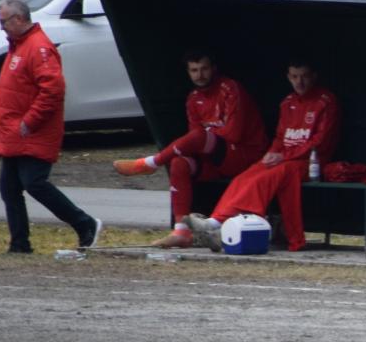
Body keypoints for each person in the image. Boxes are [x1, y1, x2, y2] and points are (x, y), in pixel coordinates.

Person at [112, 49, 269, 248]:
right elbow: (195, 143)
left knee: (198, 136)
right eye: (194, 70)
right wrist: (203, 141)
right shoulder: (194, 98)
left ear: (214, 68)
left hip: (244, 155)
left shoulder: (230, 88)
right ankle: (181, 231)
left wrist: (205, 138)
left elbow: (233, 134)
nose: (200, 75)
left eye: (204, 69)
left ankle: (152, 163)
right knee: (179, 163)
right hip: (216, 159)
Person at [186, 58, 340, 253]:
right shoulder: (288, 102)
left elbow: (320, 142)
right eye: (294, 77)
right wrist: (272, 154)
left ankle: (217, 223)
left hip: (310, 162)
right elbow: (280, 137)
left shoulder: (326, 101)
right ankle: (216, 223)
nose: (299, 82)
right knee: (246, 176)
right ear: (288, 77)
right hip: (284, 158)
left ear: (314, 77)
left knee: (267, 177)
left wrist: (283, 156)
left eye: (304, 77)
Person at [0, 0, 101, 253]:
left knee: (35, 183)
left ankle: (84, 223)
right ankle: (20, 244)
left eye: (4, 21)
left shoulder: (38, 47)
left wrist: (29, 122)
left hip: (32, 131)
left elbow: (52, 90)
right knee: (9, 188)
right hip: (15, 132)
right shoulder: (19, 45)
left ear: (19, 19)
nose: (1, 27)